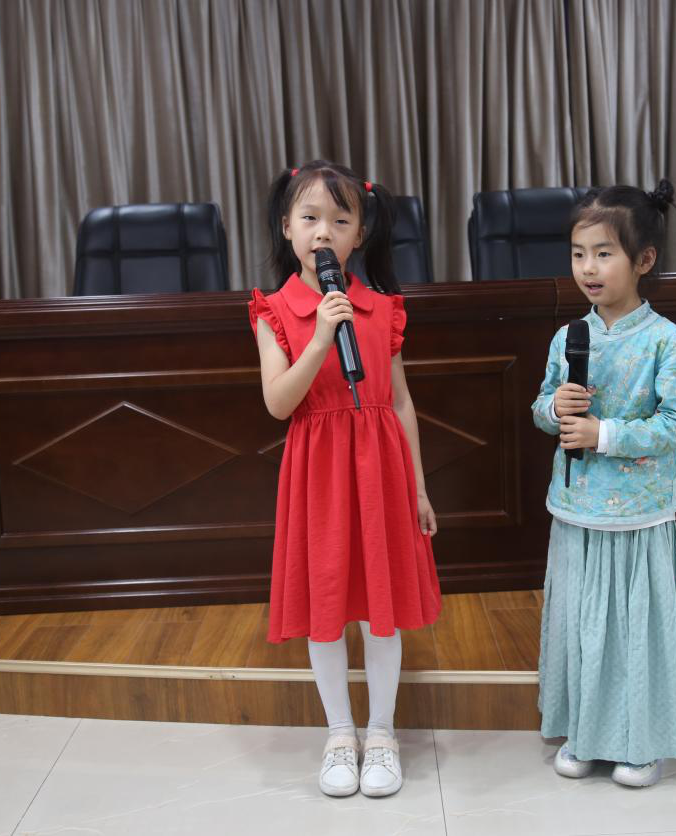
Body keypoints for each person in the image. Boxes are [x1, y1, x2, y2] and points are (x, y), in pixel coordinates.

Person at [248, 160, 441, 798]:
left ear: (360, 234)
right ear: (287, 227)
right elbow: (279, 402)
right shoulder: (275, 310)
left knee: (382, 610)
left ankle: (381, 733)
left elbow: (402, 402)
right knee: (325, 607)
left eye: (339, 219)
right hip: (320, 478)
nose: (323, 232)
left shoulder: (382, 309)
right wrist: (321, 336)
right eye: (309, 218)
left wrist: (418, 487)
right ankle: (339, 734)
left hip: (382, 471)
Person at [531, 180, 676, 788]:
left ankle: (641, 741)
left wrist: (603, 433)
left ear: (644, 260)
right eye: (579, 254)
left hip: (638, 512)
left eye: (604, 254)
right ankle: (585, 732)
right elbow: (541, 407)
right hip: (576, 506)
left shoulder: (665, 339)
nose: (588, 268)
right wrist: (554, 407)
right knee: (583, 626)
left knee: (634, 629)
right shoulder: (568, 337)